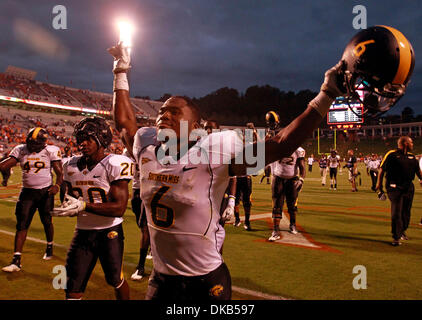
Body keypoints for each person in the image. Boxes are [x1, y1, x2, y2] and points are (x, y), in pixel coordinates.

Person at [108, 24, 407, 299]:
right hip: (161, 281)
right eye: (162, 110)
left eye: (175, 111)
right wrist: (120, 69)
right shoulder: (146, 143)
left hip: (206, 281)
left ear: (196, 127)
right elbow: (123, 122)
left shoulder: (214, 151)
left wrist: (326, 94)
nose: (165, 114)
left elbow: (280, 145)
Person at [50, 117, 132, 299]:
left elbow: (119, 208)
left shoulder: (115, 163)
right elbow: (69, 197)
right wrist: (67, 205)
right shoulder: (69, 165)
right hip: (83, 232)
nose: (82, 144)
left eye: (88, 139)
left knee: (115, 280)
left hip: (109, 232)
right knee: (71, 286)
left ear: (102, 139)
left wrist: (83, 205)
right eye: (80, 139)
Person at [1, 128, 63, 272]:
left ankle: (49, 245)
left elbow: (60, 173)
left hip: (45, 192)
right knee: (21, 224)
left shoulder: (50, 151)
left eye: (35, 143)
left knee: (46, 221)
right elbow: (5, 165)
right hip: (27, 192)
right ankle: (16, 260)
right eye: (30, 142)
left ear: (42, 143)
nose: (32, 146)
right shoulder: (20, 149)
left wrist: (57, 186)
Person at [376, 136, 422, 246]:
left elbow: (418, 172)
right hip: (394, 187)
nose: (412, 144)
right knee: (397, 211)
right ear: (405, 143)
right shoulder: (391, 154)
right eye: (411, 142)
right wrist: (379, 186)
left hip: (408, 187)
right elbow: (382, 170)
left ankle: (401, 231)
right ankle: (396, 237)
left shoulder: (412, 157)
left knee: (406, 213)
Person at [122, 147, 151, 281]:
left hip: (150, 189)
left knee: (145, 228)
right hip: (136, 189)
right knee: (142, 226)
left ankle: (141, 266)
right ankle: (151, 245)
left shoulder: (153, 150)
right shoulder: (127, 152)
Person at [268, 146, 306, 240]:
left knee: (292, 205)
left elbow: (302, 166)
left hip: (292, 179)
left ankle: (292, 224)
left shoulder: (298, 150)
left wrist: (301, 179)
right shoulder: (278, 147)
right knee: (277, 205)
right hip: (278, 178)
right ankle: (275, 230)